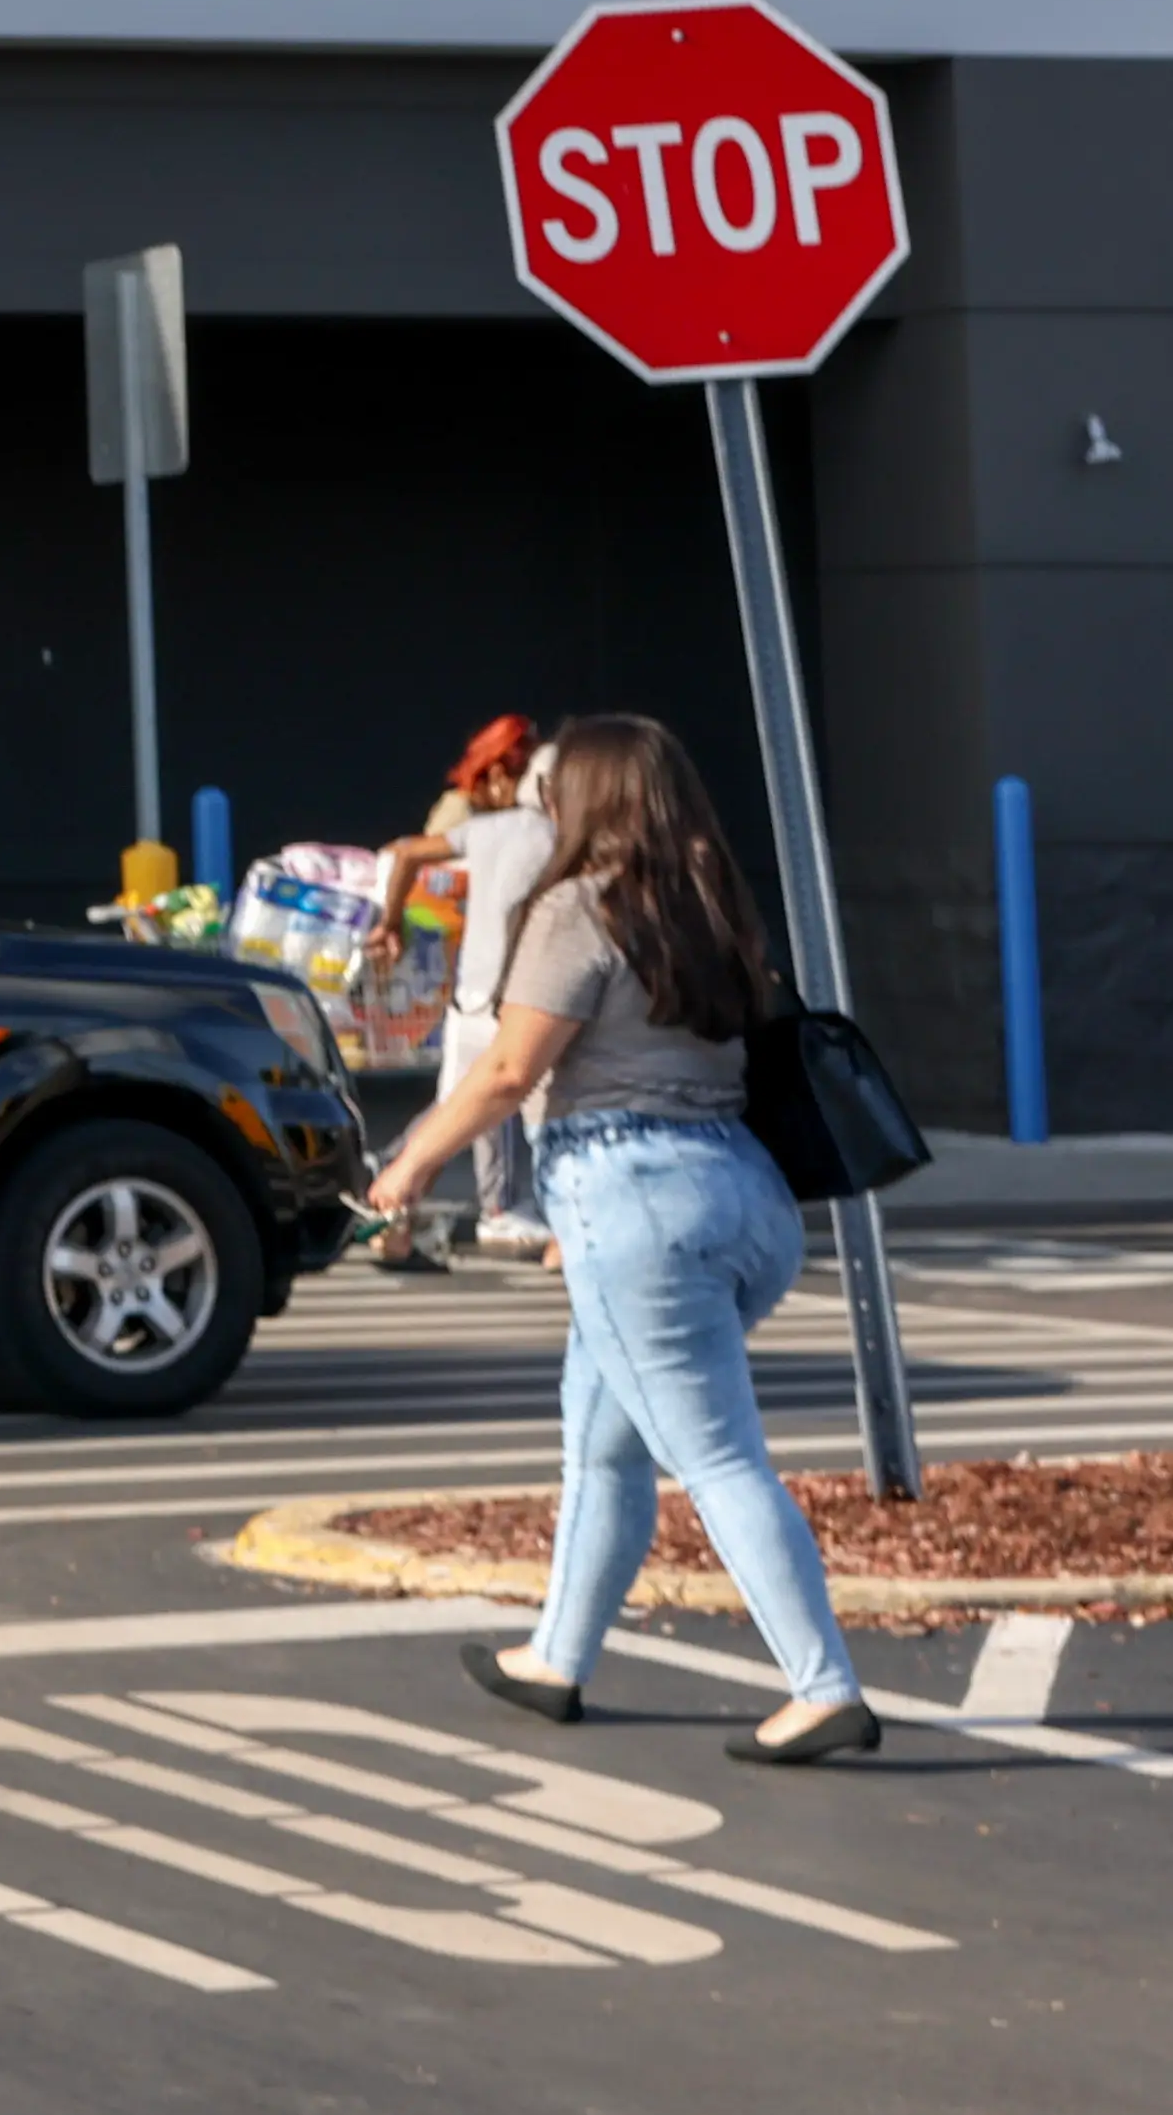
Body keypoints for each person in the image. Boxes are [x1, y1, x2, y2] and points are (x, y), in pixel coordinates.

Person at [363, 713, 873, 1764]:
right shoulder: (712, 903)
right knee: (601, 1438)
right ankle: (556, 1656)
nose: (540, 802)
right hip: (743, 1191)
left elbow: (509, 1070)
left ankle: (825, 1683)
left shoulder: (577, 905)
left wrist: (411, 1158)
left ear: (584, 800)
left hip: (636, 1201)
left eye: (554, 788)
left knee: (717, 1454)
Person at [365, 717, 547, 1268]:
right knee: (507, 1103)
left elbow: (404, 854)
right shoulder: (543, 832)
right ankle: (504, 1209)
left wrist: (389, 923)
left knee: (453, 1111)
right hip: (508, 1000)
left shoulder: (482, 832)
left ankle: (385, 1194)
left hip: (468, 998)